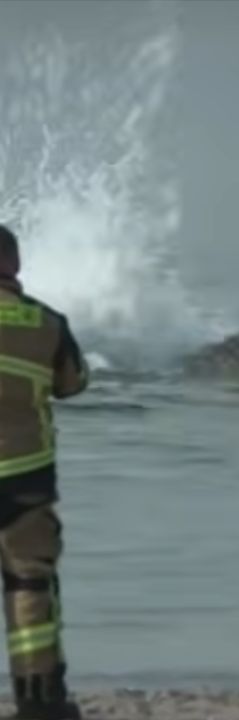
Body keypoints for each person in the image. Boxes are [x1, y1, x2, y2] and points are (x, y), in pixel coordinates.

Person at [0, 224, 88, 720]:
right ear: (15, 265)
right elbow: (73, 384)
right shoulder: (48, 323)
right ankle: (41, 704)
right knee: (30, 587)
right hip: (25, 477)